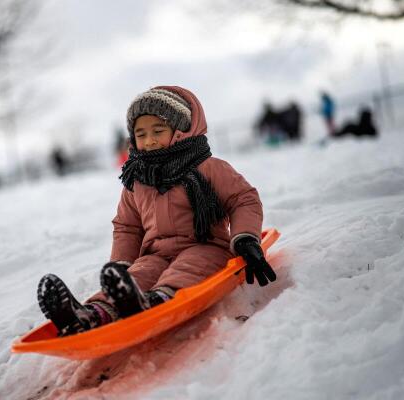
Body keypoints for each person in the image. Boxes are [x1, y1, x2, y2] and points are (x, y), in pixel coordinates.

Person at [36, 86, 276, 336]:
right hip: (156, 254)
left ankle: (156, 300)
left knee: (187, 268)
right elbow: (127, 226)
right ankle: (92, 314)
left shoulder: (209, 168)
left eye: (158, 131)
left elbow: (243, 200)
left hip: (205, 247)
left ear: (181, 131)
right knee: (140, 273)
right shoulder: (137, 180)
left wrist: (246, 238)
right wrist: (122, 265)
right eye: (141, 134)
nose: (149, 140)